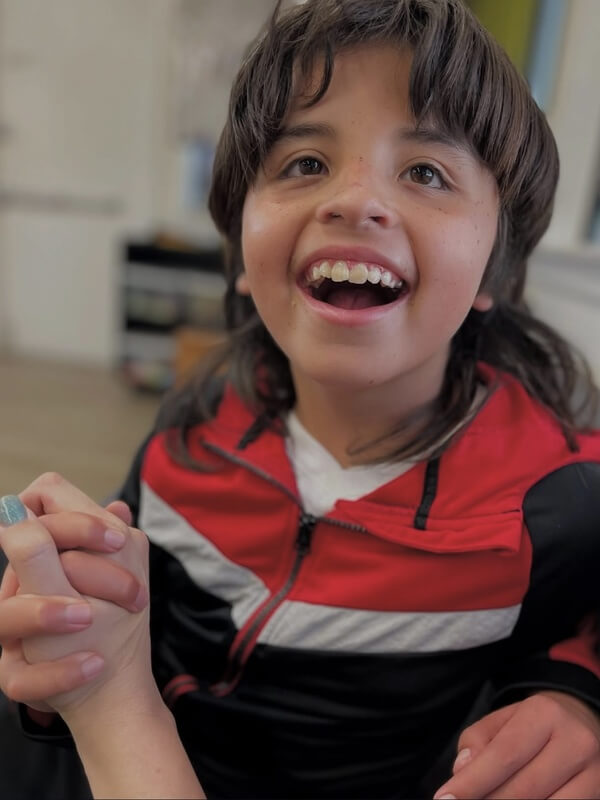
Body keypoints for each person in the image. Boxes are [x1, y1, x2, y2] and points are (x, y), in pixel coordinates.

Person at [1, 0, 600, 797]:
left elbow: (572, 630)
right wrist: (65, 634)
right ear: (242, 255)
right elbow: (132, 625)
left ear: (494, 268)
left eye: (425, 172)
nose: (354, 199)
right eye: (304, 164)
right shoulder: (190, 436)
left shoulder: (559, 496)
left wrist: (579, 694)